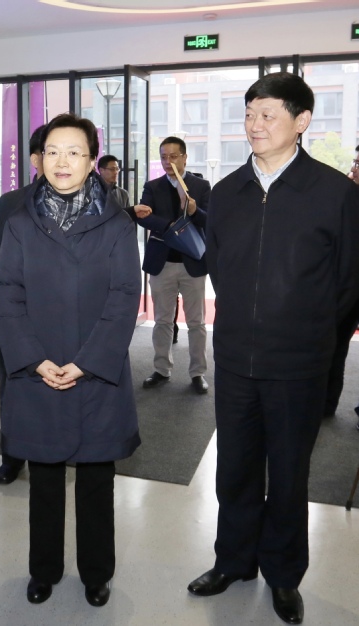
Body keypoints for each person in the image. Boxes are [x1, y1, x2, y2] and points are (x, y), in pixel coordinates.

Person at [188, 73, 359, 625]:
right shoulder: (227, 192)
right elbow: (218, 266)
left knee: (288, 475)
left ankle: (283, 575)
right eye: (249, 114)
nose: (254, 125)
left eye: (267, 115)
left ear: (301, 121)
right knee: (234, 469)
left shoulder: (335, 193)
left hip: (299, 364)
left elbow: (348, 283)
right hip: (236, 360)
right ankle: (233, 561)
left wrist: (309, 334)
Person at [0, 113, 141, 608]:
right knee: (45, 478)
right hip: (38, 371)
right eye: (53, 151)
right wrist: (34, 359)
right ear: (39, 158)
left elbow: (125, 295)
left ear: (91, 159)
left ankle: (97, 573)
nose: (62, 161)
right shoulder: (20, 222)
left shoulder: (116, 223)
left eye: (74, 152)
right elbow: (7, 294)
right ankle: (44, 570)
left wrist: (87, 362)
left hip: (96, 372)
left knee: (97, 479)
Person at [0, 124, 45, 485]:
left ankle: (56, 450)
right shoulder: (11, 203)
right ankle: (12, 456)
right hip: (20, 315)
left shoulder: (91, 205)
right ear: (36, 159)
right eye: (52, 152)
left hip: (72, 318)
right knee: (16, 385)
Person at [127, 136, 211, 394]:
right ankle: (162, 369)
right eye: (163, 157)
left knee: (196, 322)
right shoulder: (153, 186)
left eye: (173, 156)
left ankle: (198, 373)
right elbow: (144, 217)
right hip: (162, 262)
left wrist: (194, 211)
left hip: (192, 263)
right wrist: (170, 227)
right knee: (163, 320)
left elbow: (211, 221)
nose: (168, 162)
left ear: (184, 157)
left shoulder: (201, 185)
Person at [323, 144, 359, 421]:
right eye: (355, 162)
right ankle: (326, 406)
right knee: (334, 348)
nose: (354, 169)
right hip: (345, 288)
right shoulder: (347, 196)